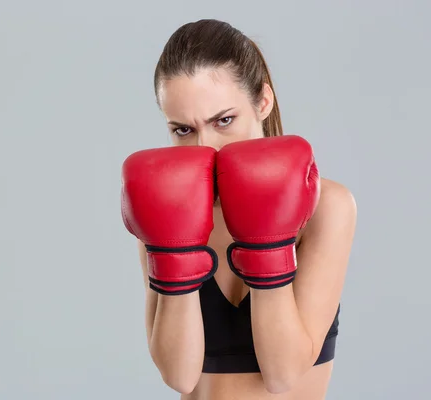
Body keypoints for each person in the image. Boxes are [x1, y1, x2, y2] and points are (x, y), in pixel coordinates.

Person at [120, 19, 357, 399]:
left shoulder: (327, 208)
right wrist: (174, 244)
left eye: (224, 120)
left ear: (263, 101)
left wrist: (267, 239)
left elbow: (282, 375)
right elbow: (179, 375)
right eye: (183, 130)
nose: (207, 147)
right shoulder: (160, 206)